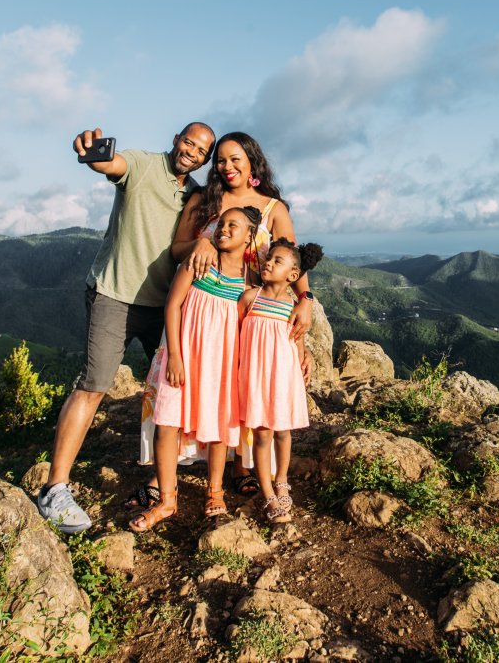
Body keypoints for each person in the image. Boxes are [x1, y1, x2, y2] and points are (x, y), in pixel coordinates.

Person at [36, 122, 215, 533]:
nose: (192, 152)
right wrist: (93, 154)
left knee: (173, 390)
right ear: (176, 139)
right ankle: (55, 488)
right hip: (114, 295)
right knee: (94, 384)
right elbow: (110, 164)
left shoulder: (198, 197)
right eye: (189, 142)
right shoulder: (142, 164)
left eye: (202, 151)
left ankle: (160, 477)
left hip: (165, 304)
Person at [132, 132, 315, 499]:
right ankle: (166, 472)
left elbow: (289, 257)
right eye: (220, 160)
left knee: (233, 389)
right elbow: (177, 248)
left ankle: (240, 464)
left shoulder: (273, 209)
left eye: (236, 159)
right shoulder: (205, 199)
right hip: (201, 304)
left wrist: (305, 298)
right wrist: (201, 240)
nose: (227, 166)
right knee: (182, 391)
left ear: (252, 162)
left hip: (248, 311)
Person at [129, 206, 260, 531]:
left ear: (249, 237)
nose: (224, 228)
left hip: (222, 365)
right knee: (168, 423)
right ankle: (167, 499)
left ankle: (214, 491)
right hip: (184, 358)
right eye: (221, 223)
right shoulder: (199, 262)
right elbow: (173, 305)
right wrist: (174, 355)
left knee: (219, 428)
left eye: (234, 225)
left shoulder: (248, 280)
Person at [238, 238, 324, 523]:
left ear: (293, 276)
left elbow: (297, 342)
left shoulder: (293, 306)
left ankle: (282, 479)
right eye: (269, 258)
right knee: (262, 435)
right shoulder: (250, 298)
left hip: (282, 378)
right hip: (255, 377)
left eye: (278, 261)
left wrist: (303, 362)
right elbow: (235, 334)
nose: (269, 263)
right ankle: (267, 493)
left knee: (283, 432)